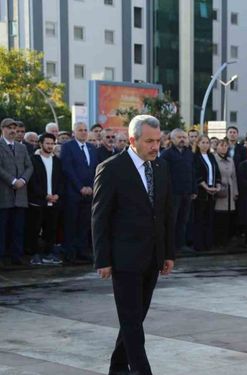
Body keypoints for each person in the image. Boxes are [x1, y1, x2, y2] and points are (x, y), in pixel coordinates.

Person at [92, 115, 174, 375]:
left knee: (134, 320)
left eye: (158, 141)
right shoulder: (111, 168)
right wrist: (102, 259)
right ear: (132, 140)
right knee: (132, 322)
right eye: (149, 141)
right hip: (124, 258)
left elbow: (165, 215)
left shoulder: (160, 168)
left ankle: (117, 367)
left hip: (153, 257)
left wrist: (168, 254)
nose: (155, 146)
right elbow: (100, 216)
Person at [60, 122, 98, 263]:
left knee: (84, 223)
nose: (83, 132)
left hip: (89, 193)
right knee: (71, 223)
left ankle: (81, 251)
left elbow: (95, 169)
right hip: (73, 193)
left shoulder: (92, 148)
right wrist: (80, 187)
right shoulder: (67, 147)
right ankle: (70, 253)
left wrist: (92, 187)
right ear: (74, 132)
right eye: (80, 130)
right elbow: (67, 169)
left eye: (85, 130)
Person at [26, 133, 64, 265]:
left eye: (52, 144)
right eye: (47, 143)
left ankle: (49, 254)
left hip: (54, 202)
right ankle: (35, 255)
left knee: (51, 229)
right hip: (37, 202)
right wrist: (44, 195)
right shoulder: (33, 160)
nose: (50, 146)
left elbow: (61, 181)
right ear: (41, 144)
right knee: (34, 229)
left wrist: (57, 195)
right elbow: (32, 181)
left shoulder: (58, 161)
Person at [0, 118, 33, 266]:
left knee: (18, 228)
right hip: (4, 193)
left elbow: (29, 166)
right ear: (3, 129)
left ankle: (16, 256)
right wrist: (13, 181)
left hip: (20, 194)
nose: (13, 131)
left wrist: (23, 180)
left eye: (14, 128)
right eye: (9, 128)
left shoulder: (22, 147)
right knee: (2, 228)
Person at [160, 129, 197, 254]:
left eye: (184, 137)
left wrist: (194, 189)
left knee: (183, 220)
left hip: (186, 192)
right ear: (172, 139)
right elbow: (163, 174)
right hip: (173, 193)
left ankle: (180, 245)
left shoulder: (189, 153)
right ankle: (169, 246)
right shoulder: (167, 154)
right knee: (172, 220)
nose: (182, 139)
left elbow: (192, 172)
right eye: (179, 137)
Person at [192, 135, 221, 252]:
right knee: (199, 218)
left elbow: (217, 172)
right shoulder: (195, 157)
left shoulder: (211, 156)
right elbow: (196, 174)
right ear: (198, 144)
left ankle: (208, 243)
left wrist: (217, 185)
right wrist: (205, 187)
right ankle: (199, 245)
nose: (205, 145)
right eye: (203, 142)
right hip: (201, 192)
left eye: (207, 142)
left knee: (209, 218)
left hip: (212, 192)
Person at [213, 138, 239, 247]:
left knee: (228, 217)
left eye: (225, 145)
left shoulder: (230, 160)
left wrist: (235, 192)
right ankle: (218, 241)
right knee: (219, 217)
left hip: (230, 190)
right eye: (221, 145)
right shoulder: (213, 158)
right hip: (219, 190)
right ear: (217, 147)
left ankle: (226, 240)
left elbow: (234, 177)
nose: (223, 147)